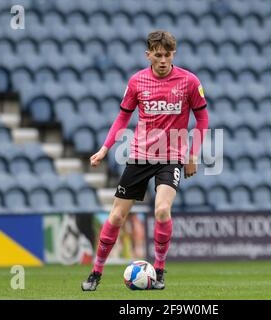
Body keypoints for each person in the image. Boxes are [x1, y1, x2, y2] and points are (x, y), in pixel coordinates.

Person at [81, 30, 209, 291]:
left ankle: (159, 270)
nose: (163, 60)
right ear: (148, 54)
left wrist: (193, 154)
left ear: (174, 54)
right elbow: (122, 118)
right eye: (158, 55)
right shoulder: (138, 81)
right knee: (116, 216)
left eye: (168, 55)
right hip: (140, 155)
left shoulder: (189, 81)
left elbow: (203, 119)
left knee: (162, 210)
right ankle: (96, 273)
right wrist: (106, 148)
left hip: (171, 157)